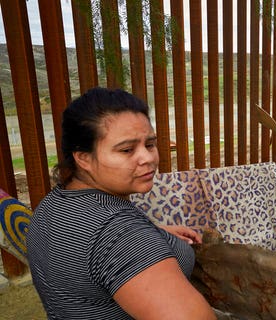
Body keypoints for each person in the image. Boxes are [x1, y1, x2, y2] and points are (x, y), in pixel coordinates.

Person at [26, 87, 216, 319]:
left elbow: (93, 252)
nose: (148, 158)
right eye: (127, 149)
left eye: (149, 144)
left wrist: (156, 233)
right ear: (83, 158)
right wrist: (138, 239)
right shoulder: (121, 234)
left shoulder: (53, 205)